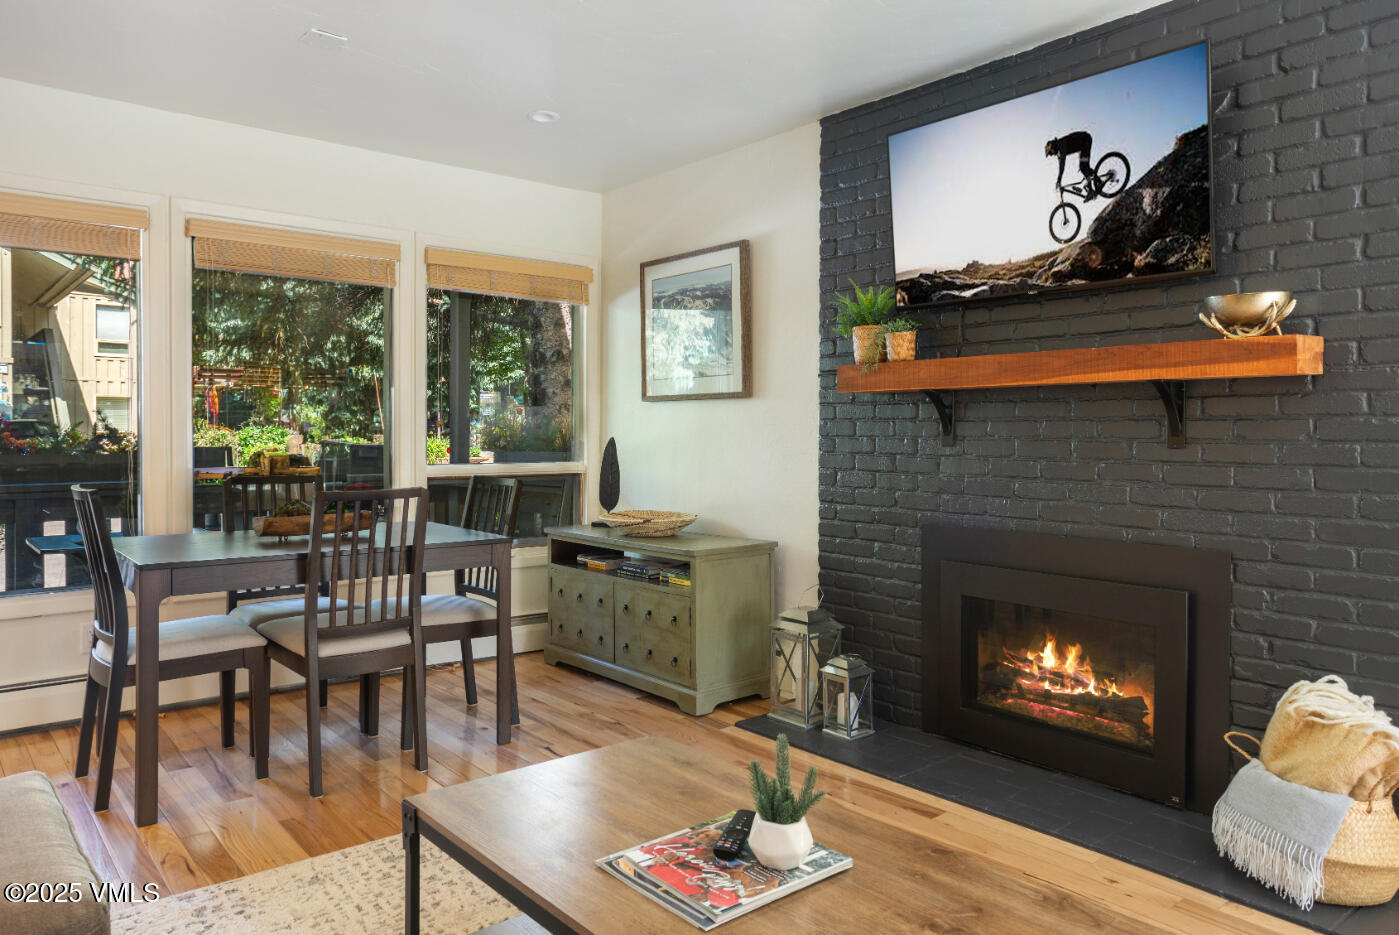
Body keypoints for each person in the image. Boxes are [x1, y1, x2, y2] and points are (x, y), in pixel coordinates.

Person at [1045, 131, 1096, 200]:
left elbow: (1062, 165)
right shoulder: (1059, 151)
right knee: (1084, 166)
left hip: (1085, 140)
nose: (1052, 155)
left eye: (1050, 153)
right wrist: (1058, 180)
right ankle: (1098, 180)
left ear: (1052, 147)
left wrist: (1059, 180)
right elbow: (1060, 166)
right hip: (1082, 146)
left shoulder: (1061, 144)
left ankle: (1091, 191)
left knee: (1083, 167)